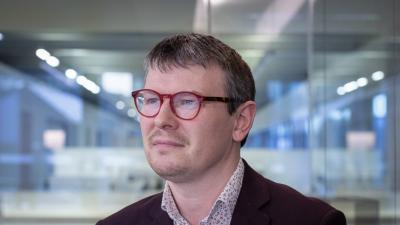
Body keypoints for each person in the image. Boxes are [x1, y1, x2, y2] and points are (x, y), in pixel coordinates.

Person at [96, 33, 346, 225]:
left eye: (186, 101)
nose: (161, 119)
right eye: (151, 100)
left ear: (240, 121)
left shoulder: (311, 221)